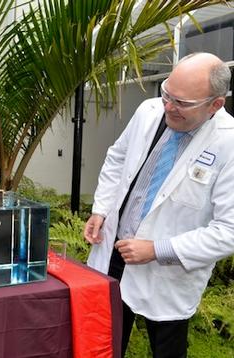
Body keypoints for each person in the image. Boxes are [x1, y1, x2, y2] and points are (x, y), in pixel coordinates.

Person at [83, 52, 234, 357]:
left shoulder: (228, 143)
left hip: (168, 274)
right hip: (113, 249)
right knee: (104, 344)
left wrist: (157, 249)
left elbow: (228, 231)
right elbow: (117, 157)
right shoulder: (149, 110)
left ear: (215, 104)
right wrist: (102, 208)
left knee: (167, 349)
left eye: (182, 103)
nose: (168, 107)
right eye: (167, 93)